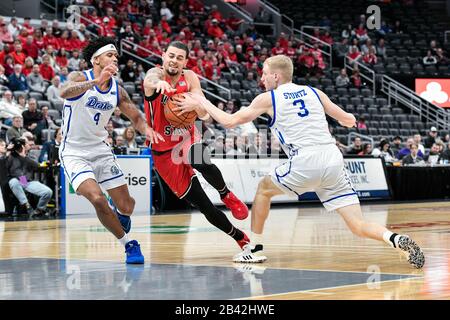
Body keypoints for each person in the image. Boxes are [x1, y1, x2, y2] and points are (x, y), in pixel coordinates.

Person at [178, 54, 425, 268]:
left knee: (263, 190)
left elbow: (229, 121)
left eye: (264, 74)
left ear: (276, 76)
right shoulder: (314, 92)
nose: (261, 79)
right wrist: (346, 120)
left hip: (306, 159)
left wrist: (201, 101)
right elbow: (349, 119)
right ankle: (395, 239)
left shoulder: (268, 98)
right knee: (357, 224)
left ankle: (253, 249)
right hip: (333, 158)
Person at [142, 41, 251, 252]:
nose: (174, 60)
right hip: (163, 152)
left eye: (179, 57)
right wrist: (160, 84)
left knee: (199, 159)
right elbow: (150, 78)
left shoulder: (190, 77)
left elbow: (205, 116)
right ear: (163, 55)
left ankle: (226, 194)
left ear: (185, 61)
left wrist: (197, 106)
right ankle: (239, 237)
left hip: (187, 137)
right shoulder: (154, 75)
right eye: (171, 56)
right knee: (204, 206)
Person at [58, 37, 152, 264]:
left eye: (116, 56)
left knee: (127, 206)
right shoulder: (80, 78)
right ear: (95, 59)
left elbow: (136, 117)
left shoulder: (117, 91)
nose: (114, 59)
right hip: (73, 151)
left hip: (100, 150)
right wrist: (96, 81)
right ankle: (129, 244)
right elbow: (65, 91)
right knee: (98, 199)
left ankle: (120, 218)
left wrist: (147, 131)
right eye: (110, 55)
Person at [6, 137, 53, 217]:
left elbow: (37, 166)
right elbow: (16, 172)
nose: (29, 144)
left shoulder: (30, 155)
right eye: (26, 143)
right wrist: (9, 150)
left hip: (29, 182)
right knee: (13, 182)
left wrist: (24, 157)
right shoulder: (12, 156)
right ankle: (27, 205)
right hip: (18, 181)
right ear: (22, 146)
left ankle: (39, 210)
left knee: (48, 192)